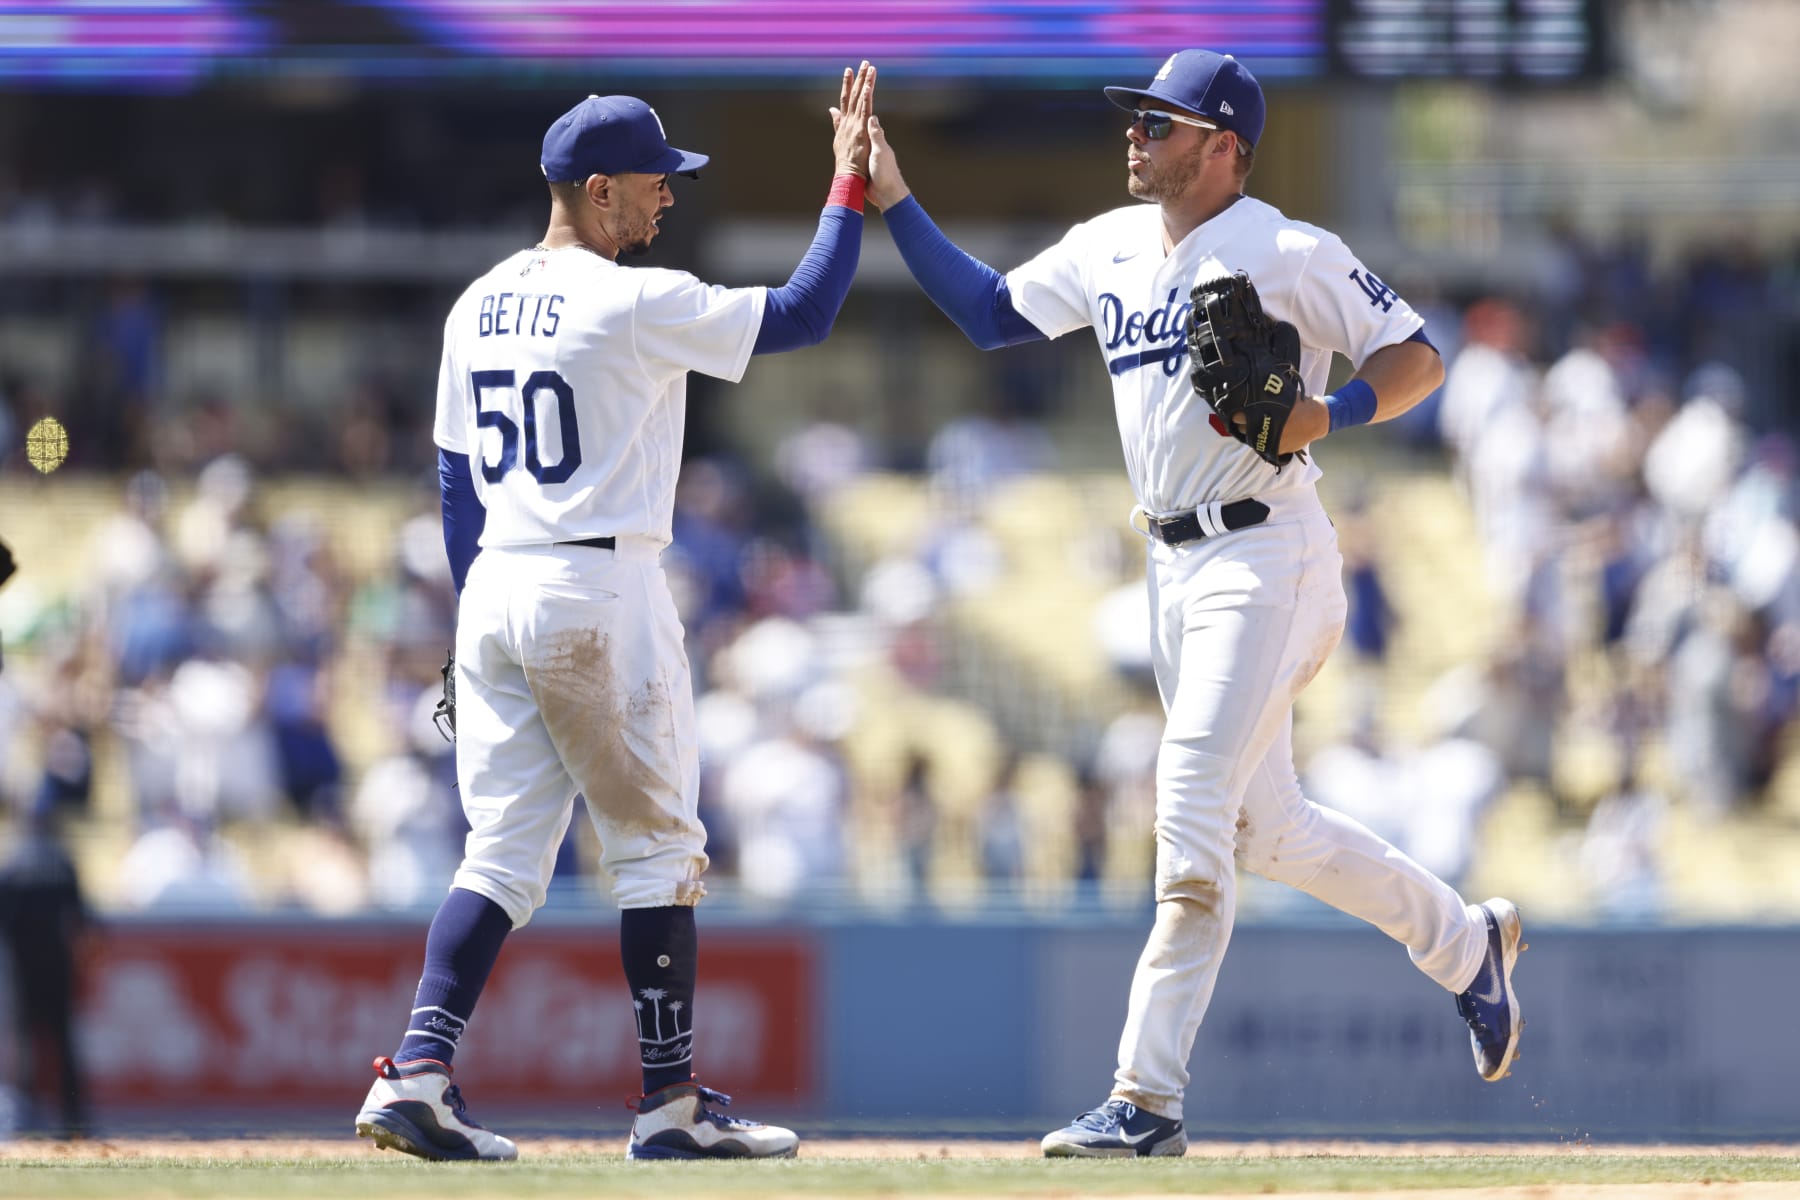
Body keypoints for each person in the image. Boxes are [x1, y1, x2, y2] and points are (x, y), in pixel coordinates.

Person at [855, 50, 1525, 1158]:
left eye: (1162, 125)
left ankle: (1146, 1097)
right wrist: (896, 200)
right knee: (1272, 831)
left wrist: (1325, 413)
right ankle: (1464, 946)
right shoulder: (1107, 246)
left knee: (1191, 804)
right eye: (1137, 121)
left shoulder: (1287, 247)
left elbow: (1419, 358)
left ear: (1226, 150)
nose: (1136, 137)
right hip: (1170, 567)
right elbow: (988, 315)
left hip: (1269, 555)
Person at [354, 64, 878, 1162]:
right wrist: (844, 188)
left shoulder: (475, 301)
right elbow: (802, 314)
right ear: (597, 192)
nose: (667, 197)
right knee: (656, 851)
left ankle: (419, 1072)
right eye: (652, 181)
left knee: (499, 855)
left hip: (496, 582)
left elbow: (456, 487)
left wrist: (463, 628)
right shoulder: (632, 297)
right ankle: (669, 1106)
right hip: (599, 585)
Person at [0, 804, 96, 1139]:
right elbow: (83, 919)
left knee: (27, 1044)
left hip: (24, 971)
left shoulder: (13, 867)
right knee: (62, 1043)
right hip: (57, 968)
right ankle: (74, 1121)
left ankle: (27, 1120)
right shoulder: (60, 863)